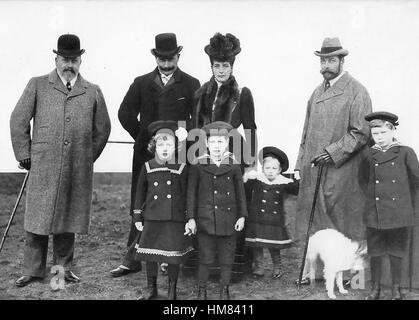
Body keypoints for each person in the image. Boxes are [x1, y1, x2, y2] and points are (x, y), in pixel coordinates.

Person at [10, 34, 111, 287]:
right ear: (56, 59)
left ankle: (62, 271)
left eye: (74, 60)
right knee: (37, 218)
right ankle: (33, 270)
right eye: (65, 59)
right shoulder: (38, 85)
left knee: (68, 218)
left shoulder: (92, 91)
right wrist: (24, 154)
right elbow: (18, 120)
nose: (69, 65)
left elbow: (103, 129)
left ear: (80, 61)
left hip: (76, 169)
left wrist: (86, 157)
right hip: (43, 165)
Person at [111, 33, 200, 277]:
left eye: (171, 57)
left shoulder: (192, 84)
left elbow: (198, 119)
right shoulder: (141, 83)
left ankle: (167, 258)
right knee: (139, 203)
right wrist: (143, 137)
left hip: (178, 157)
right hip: (146, 157)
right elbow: (124, 112)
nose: (167, 62)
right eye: (162, 58)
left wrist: (185, 137)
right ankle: (131, 259)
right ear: (155, 57)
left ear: (178, 56)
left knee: (172, 204)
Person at [294, 37, 372, 285]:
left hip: (344, 170)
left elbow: (361, 132)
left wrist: (334, 151)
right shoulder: (317, 91)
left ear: (342, 61)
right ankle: (313, 273)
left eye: (332, 60)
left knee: (349, 223)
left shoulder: (357, 90)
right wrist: (300, 164)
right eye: (323, 60)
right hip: (314, 170)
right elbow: (305, 133)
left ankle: (357, 278)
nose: (326, 64)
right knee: (314, 221)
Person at [188, 32, 258, 281]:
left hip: (232, 159)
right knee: (203, 207)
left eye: (225, 65)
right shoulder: (200, 93)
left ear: (232, 66)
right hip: (203, 161)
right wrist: (192, 159)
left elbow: (249, 129)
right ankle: (203, 265)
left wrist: (250, 164)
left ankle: (233, 267)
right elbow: (195, 130)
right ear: (211, 66)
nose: (221, 70)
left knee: (230, 209)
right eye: (217, 66)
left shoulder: (242, 94)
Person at [127, 120, 193, 300]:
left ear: (176, 147)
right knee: (150, 254)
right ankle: (152, 289)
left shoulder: (181, 168)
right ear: (154, 146)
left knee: (173, 256)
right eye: (161, 144)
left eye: (169, 144)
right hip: (152, 217)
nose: (165, 148)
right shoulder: (148, 166)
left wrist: (189, 218)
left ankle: (172, 290)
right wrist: (137, 217)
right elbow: (139, 193)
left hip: (174, 219)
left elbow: (187, 195)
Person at [185, 121, 248, 300]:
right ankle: (202, 290)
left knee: (227, 258)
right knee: (205, 257)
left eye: (221, 142)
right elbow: (191, 195)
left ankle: (224, 289)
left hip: (229, 219)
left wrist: (242, 216)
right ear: (206, 144)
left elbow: (240, 194)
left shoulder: (234, 166)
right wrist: (191, 218)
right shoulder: (198, 165)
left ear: (227, 144)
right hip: (205, 219)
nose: (217, 146)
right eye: (213, 142)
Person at [360, 112, 419, 300]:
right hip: (374, 212)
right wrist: (373, 198)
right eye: (376, 134)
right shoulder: (369, 155)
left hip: (398, 212)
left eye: (384, 132)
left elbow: (415, 179)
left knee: (396, 251)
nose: (380, 137)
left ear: (392, 130)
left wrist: (402, 199)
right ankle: (375, 289)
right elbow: (363, 181)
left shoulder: (405, 152)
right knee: (375, 252)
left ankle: (396, 288)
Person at [244, 147, 299, 279]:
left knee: (274, 246)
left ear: (280, 170)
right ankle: (259, 268)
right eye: (267, 168)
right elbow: (244, 189)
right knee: (257, 246)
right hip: (257, 218)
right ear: (263, 168)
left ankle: (277, 267)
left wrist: (297, 178)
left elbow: (296, 190)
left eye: (274, 169)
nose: (270, 171)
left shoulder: (283, 182)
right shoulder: (257, 180)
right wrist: (247, 177)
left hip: (274, 220)